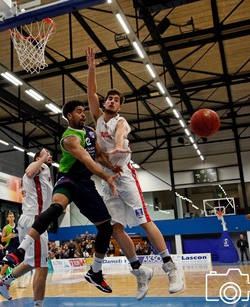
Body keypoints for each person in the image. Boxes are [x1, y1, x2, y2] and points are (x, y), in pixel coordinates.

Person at [86, 46, 183, 298]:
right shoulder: (97, 117)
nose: (112, 100)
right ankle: (139, 271)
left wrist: (119, 146)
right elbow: (90, 94)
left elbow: (120, 135)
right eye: (110, 98)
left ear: (120, 106)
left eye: (117, 100)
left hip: (125, 176)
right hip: (106, 179)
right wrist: (92, 68)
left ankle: (170, 267)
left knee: (144, 220)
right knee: (115, 228)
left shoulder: (120, 121)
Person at [0, 100, 120, 300]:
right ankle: (18, 253)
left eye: (84, 111)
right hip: (69, 179)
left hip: (85, 185)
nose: (83, 114)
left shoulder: (89, 132)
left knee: (106, 227)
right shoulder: (69, 138)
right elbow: (87, 160)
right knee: (55, 209)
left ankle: (95, 272)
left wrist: (112, 167)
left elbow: (97, 155)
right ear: (69, 116)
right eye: (78, 112)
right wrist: (106, 176)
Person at [0, 148, 53, 306]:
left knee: (32, 262)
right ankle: (38, 304)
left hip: (32, 219)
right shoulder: (36, 168)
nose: (50, 156)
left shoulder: (45, 171)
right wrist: (41, 159)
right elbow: (28, 171)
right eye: (46, 153)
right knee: (42, 267)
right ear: (38, 158)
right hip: (35, 220)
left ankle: (4, 283)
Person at [0, 211, 20, 283]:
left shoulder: (18, 226)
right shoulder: (6, 228)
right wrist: (8, 236)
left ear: (14, 218)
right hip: (10, 247)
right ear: (7, 218)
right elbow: (2, 239)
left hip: (18, 247)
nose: (11, 218)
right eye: (10, 217)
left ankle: (19, 282)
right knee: (7, 264)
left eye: (12, 217)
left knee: (19, 265)